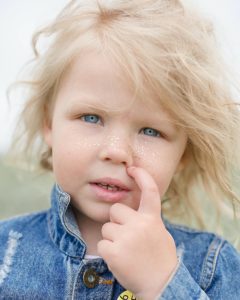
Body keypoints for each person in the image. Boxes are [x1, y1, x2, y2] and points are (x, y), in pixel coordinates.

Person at [1, 0, 240, 299]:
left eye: (150, 131)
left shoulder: (212, 264)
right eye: (91, 118)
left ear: (184, 154)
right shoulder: (4, 253)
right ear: (49, 122)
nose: (116, 151)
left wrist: (164, 283)